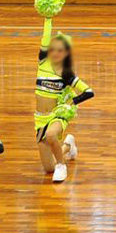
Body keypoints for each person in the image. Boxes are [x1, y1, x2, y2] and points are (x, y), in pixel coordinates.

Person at [35, 13, 94, 182]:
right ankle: (68, 145)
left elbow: (89, 91)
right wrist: (48, 18)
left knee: (51, 135)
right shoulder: (42, 62)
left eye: (60, 50)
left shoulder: (66, 73)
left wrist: (71, 102)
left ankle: (62, 166)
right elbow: (45, 37)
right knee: (48, 168)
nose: (55, 53)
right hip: (40, 118)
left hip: (57, 115)